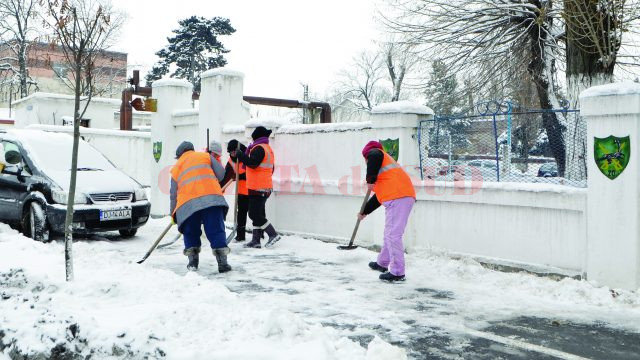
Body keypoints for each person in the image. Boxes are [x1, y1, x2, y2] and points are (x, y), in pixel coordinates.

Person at [358, 141, 416, 282]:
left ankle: (397, 273)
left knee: (392, 235)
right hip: (399, 197)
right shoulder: (385, 173)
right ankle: (382, 263)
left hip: (399, 197)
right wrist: (364, 211)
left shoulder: (376, 153)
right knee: (389, 233)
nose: (366, 161)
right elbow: (378, 197)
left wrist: (369, 178)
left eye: (365, 159)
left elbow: (374, 155)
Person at [170, 141, 231, 273]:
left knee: (190, 231)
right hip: (212, 199)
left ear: (179, 155)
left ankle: (193, 263)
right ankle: (223, 263)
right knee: (216, 230)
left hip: (188, 204)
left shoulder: (176, 167)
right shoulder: (205, 156)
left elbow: (173, 194)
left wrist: (173, 214)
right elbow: (221, 175)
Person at [230, 126, 281, 248]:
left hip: (259, 187)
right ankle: (256, 240)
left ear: (257, 137)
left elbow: (252, 163)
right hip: (261, 186)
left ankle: (273, 234)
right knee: (256, 213)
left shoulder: (258, 148)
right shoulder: (267, 148)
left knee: (254, 214)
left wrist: (241, 155)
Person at [219, 139, 249, 242]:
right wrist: (219, 190)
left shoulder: (247, 155)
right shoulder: (231, 161)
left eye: (234, 151)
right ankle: (241, 236)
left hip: (252, 190)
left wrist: (241, 176)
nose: (233, 154)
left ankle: (259, 235)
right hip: (241, 192)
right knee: (241, 214)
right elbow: (226, 177)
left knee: (255, 214)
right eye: (231, 152)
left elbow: (253, 170)